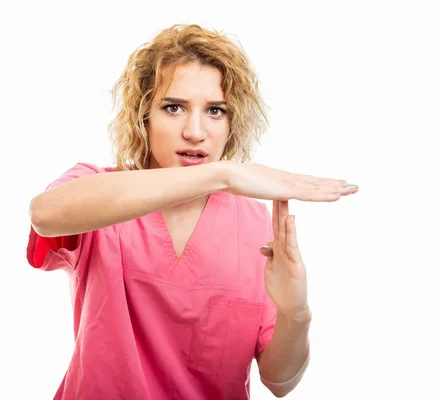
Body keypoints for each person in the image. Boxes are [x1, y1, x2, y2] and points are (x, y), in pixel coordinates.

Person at [26, 24, 358, 400]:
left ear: (232, 124)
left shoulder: (254, 225)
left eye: (215, 111)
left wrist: (295, 313)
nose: (196, 132)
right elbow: (46, 213)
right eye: (173, 108)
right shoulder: (98, 188)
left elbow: (280, 381)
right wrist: (221, 174)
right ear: (143, 117)